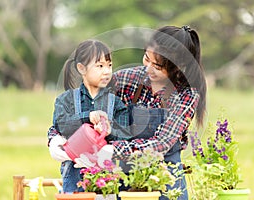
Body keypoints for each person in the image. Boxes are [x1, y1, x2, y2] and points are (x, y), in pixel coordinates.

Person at [49, 25, 207, 200]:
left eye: (157, 66)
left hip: (165, 181)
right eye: (146, 58)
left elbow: (161, 143)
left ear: (178, 67)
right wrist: (54, 136)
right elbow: (85, 106)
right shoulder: (127, 79)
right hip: (127, 181)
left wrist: (112, 149)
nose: (148, 68)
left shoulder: (186, 95)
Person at [47, 39, 131, 193]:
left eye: (109, 65)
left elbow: (125, 136)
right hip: (75, 179)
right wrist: (88, 116)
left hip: (107, 182)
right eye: (100, 66)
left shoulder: (116, 103)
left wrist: (109, 130)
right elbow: (61, 125)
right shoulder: (65, 100)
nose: (106, 71)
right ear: (81, 68)